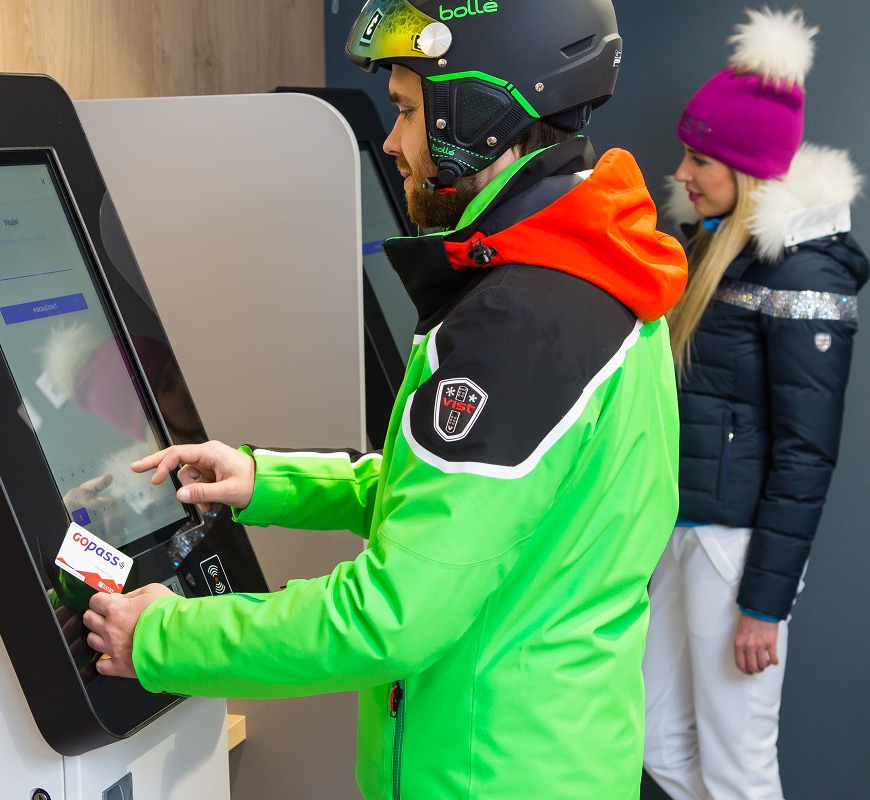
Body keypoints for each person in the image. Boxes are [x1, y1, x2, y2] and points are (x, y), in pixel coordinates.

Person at [82, 1, 689, 797]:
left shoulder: (517, 324)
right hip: (558, 757)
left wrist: (165, 636)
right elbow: (474, 515)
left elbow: (391, 615)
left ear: (479, 111)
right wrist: (266, 481)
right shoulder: (600, 271)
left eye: (407, 111)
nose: (395, 143)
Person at [640, 9, 870, 800]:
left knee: (738, 769)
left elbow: (807, 454)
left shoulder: (807, 277)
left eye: (700, 158)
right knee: (656, 740)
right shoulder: (719, 252)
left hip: (734, 555)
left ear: (747, 171)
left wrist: (763, 605)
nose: (683, 172)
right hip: (682, 533)